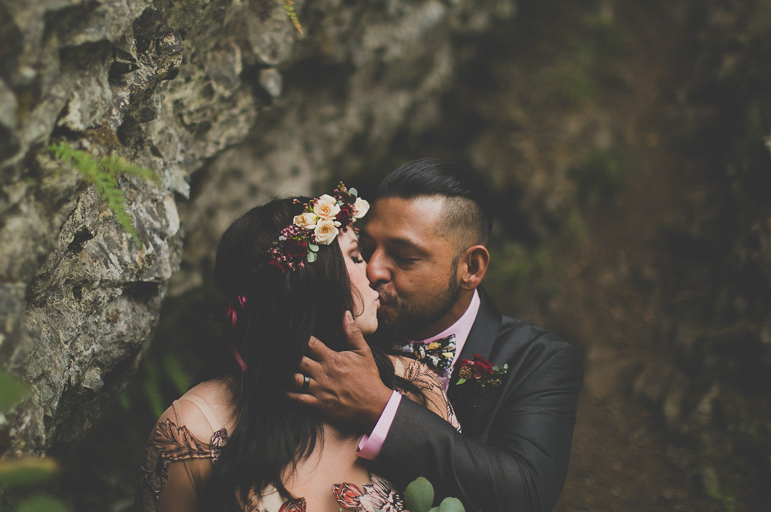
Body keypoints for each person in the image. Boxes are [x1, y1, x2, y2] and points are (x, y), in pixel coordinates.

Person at [287, 159, 584, 512]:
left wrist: (382, 409)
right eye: (367, 249)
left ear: (470, 268)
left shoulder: (540, 360)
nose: (374, 269)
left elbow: (526, 493)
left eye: (404, 256)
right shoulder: (344, 327)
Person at [141, 187, 458, 511]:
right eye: (355, 256)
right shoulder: (193, 427)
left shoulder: (414, 383)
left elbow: (472, 490)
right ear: (313, 279)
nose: (373, 273)